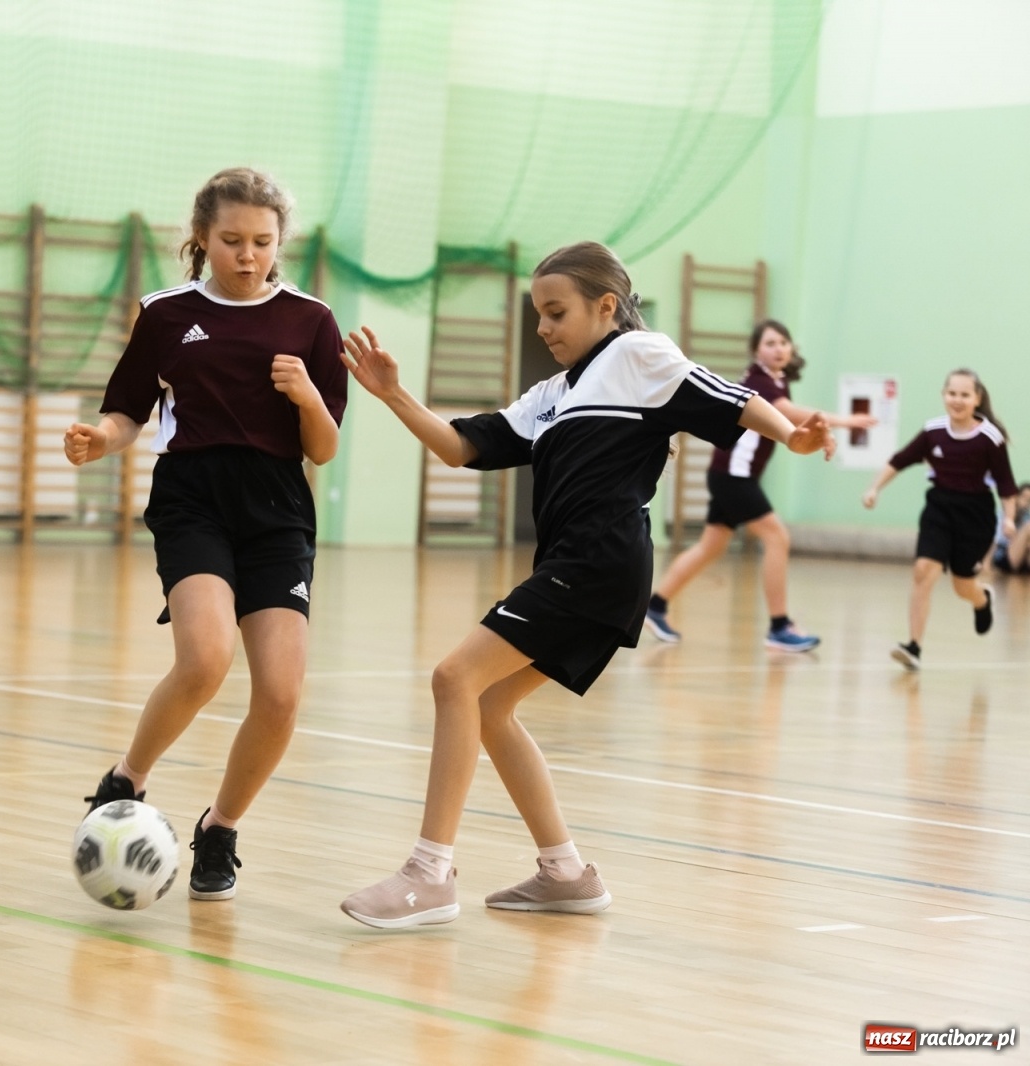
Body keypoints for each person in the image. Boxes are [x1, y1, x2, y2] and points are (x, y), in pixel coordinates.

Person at [336, 241, 833, 929]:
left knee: (455, 679)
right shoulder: (551, 395)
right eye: (538, 313)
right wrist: (394, 396)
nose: (544, 326)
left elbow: (731, 397)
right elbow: (462, 446)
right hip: (573, 565)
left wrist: (791, 433)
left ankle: (429, 873)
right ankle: (565, 872)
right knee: (488, 707)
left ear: (607, 307)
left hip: (601, 561)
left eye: (556, 311)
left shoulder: (639, 355)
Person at [65, 167, 347, 900]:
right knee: (205, 659)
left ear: (280, 241)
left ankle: (219, 829)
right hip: (193, 498)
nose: (247, 254)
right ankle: (127, 777)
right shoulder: (164, 314)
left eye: (261, 241)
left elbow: (323, 447)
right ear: (201, 238)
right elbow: (127, 411)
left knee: (281, 695)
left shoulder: (312, 321)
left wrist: (310, 396)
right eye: (231, 240)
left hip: (278, 507)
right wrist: (102, 437)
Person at [643, 320, 876, 650]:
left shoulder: (775, 380)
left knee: (711, 546)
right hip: (733, 477)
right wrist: (847, 420)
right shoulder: (759, 381)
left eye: (784, 342)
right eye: (770, 343)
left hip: (730, 475)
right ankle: (779, 627)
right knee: (777, 537)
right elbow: (790, 413)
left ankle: (656, 607)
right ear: (756, 351)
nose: (779, 348)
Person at [862, 370, 1017, 669]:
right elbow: (900, 459)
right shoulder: (933, 431)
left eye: (964, 395)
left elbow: (1006, 485)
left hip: (976, 515)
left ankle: (981, 599)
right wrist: (874, 488)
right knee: (923, 571)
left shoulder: (989, 438)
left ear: (977, 399)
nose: (957, 400)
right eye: (952, 394)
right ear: (944, 395)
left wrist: (1008, 519)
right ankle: (914, 647)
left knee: (962, 585)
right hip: (939, 508)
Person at [992, 486, 1030, 574]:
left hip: (1022, 558)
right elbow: (995, 543)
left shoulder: (1026, 517)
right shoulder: (1002, 515)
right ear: (1016, 497)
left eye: (1029, 500)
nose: (1026, 502)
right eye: (1024, 497)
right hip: (1003, 556)